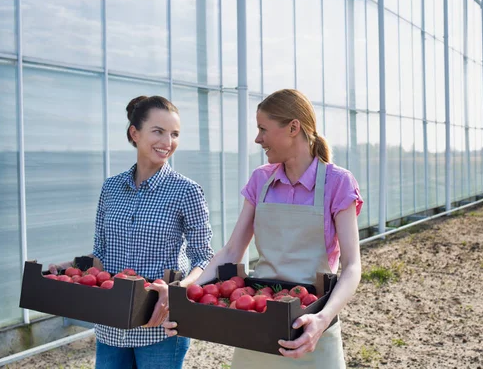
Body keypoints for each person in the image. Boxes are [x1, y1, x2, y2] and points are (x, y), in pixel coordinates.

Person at [164, 89, 363, 368]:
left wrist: (322, 319)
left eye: (263, 129)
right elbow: (232, 250)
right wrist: (188, 294)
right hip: (258, 319)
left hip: (310, 325)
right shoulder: (261, 180)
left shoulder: (338, 182)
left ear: (293, 127)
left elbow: (353, 266)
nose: (258, 139)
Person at [57, 96, 215, 368]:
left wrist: (178, 290)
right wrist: (73, 266)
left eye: (174, 134)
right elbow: (101, 252)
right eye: (158, 131)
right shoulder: (111, 188)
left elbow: (204, 257)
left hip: (159, 322)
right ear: (135, 133)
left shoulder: (186, 191)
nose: (168, 142)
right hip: (110, 323)